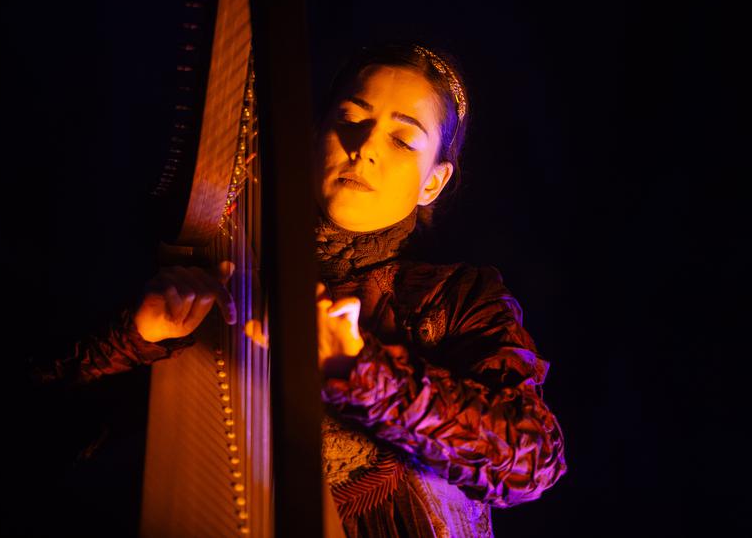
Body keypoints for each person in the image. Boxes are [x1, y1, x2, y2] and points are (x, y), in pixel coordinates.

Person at [31, 42, 567, 537]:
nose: (364, 147)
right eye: (350, 119)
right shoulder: (224, 262)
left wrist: (360, 372)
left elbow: (532, 461)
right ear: (314, 135)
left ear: (434, 181)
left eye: (403, 139)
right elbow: (35, 421)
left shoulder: (460, 298)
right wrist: (136, 337)